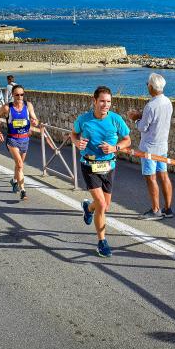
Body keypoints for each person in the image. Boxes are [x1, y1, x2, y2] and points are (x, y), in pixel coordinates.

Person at [70, 86, 131, 257]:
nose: (106, 105)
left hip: (109, 166)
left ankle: (88, 209)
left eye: (109, 101)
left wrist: (114, 147)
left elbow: (127, 140)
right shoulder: (84, 120)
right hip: (90, 166)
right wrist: (77, 143)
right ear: (94, 101)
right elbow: (73, 134)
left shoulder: (116, 119)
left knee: (104, 206)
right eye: (102, 101)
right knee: (102, 205)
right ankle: (101, 242)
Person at [127, 73, 174, 220]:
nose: (147, 85)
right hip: (162, 147)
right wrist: (142, 115)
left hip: (149, 148)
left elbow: (143, 128)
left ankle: (155, 210)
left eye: (147, 83)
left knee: (150, 177)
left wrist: (135, 119)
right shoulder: (168, 102)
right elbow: (158, 121)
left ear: (152, 87)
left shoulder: (150, 105)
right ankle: (168, 209)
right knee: (164, 175)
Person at [0, 85, 39, 201]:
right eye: (17, 94)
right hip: (12, 139)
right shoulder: (7, 108)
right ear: (12, 95)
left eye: (22, 94)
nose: (19, 97)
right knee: (19, 164)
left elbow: (35, 119)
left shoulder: (28, 106)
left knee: (19, 165)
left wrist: (35, 122)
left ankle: (14, 180)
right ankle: (23, 190)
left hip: (25, 140)